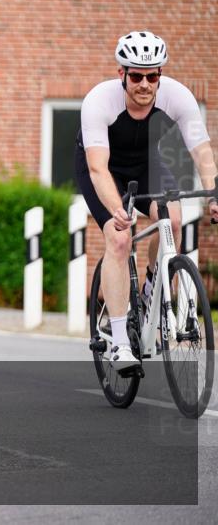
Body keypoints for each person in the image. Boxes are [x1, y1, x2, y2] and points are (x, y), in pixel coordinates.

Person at [75, 31, 217, 370]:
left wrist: (213, 192)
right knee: (120, 238)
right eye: (136, 75)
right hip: (101, 167)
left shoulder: (177, 96)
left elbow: (202, 151)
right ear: (121, 74)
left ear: (160, 76)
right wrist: (116, 212)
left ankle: (153, 289)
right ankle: (121, 343)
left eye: (152, 76)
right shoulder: (99, 101)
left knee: (175, 220)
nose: (144, 84)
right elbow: (97, 168)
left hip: (146, 163)